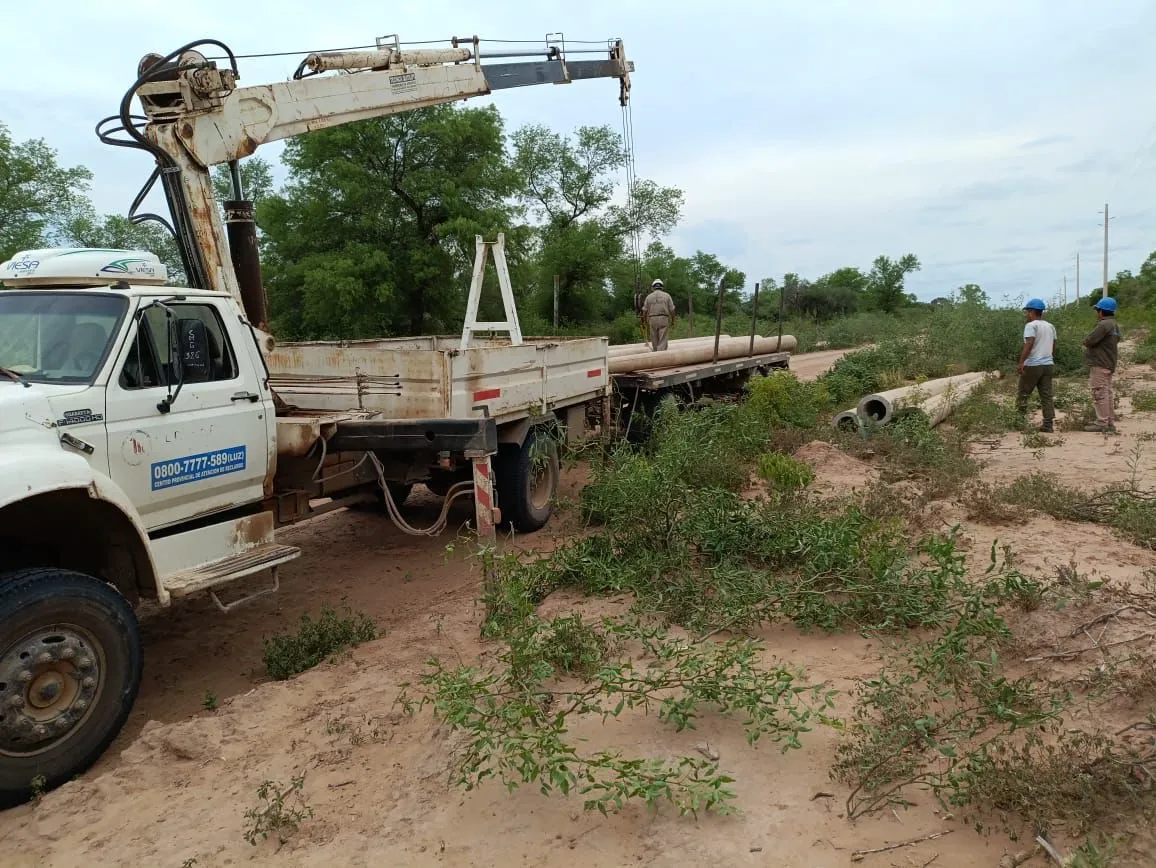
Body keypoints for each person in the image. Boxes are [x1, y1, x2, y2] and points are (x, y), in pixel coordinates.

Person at [1016, 298, 1056, 433]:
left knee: (1023, 393)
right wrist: (1049, 357)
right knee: (1046, 395)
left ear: (1032, 311)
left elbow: (1029, 343)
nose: (1027, 314)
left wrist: (1021, 362)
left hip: (1033, 364)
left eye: (1027, 311)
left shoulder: (1031, 326)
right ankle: (1048, 424)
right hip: (1048, 364)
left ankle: (1019, 421)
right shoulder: (1050, 326)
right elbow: (1054, 345)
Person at [1082, 296, 1121, 433]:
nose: (1097, 313)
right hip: (1109, 363)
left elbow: (1089, 341)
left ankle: (1102, 422)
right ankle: (1109, 421)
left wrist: (1086, 342)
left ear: (1101, 311)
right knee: (1107, 393)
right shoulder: (1114, 324)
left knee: (1099, 393)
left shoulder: (1104, 325)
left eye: (1097, 310)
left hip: (1100, 363)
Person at [641, 278, 676, 351]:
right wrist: (673, 321)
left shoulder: (648, 297)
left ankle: (656, 354)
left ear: (653, 287)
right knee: (663, 339)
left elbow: (644, 311)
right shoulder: (667, 296)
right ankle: (661, 356)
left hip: (652, 319)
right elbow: (672, 310)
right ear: (662, 287)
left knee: (654, 339)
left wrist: (643, 322)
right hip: (663, 319)